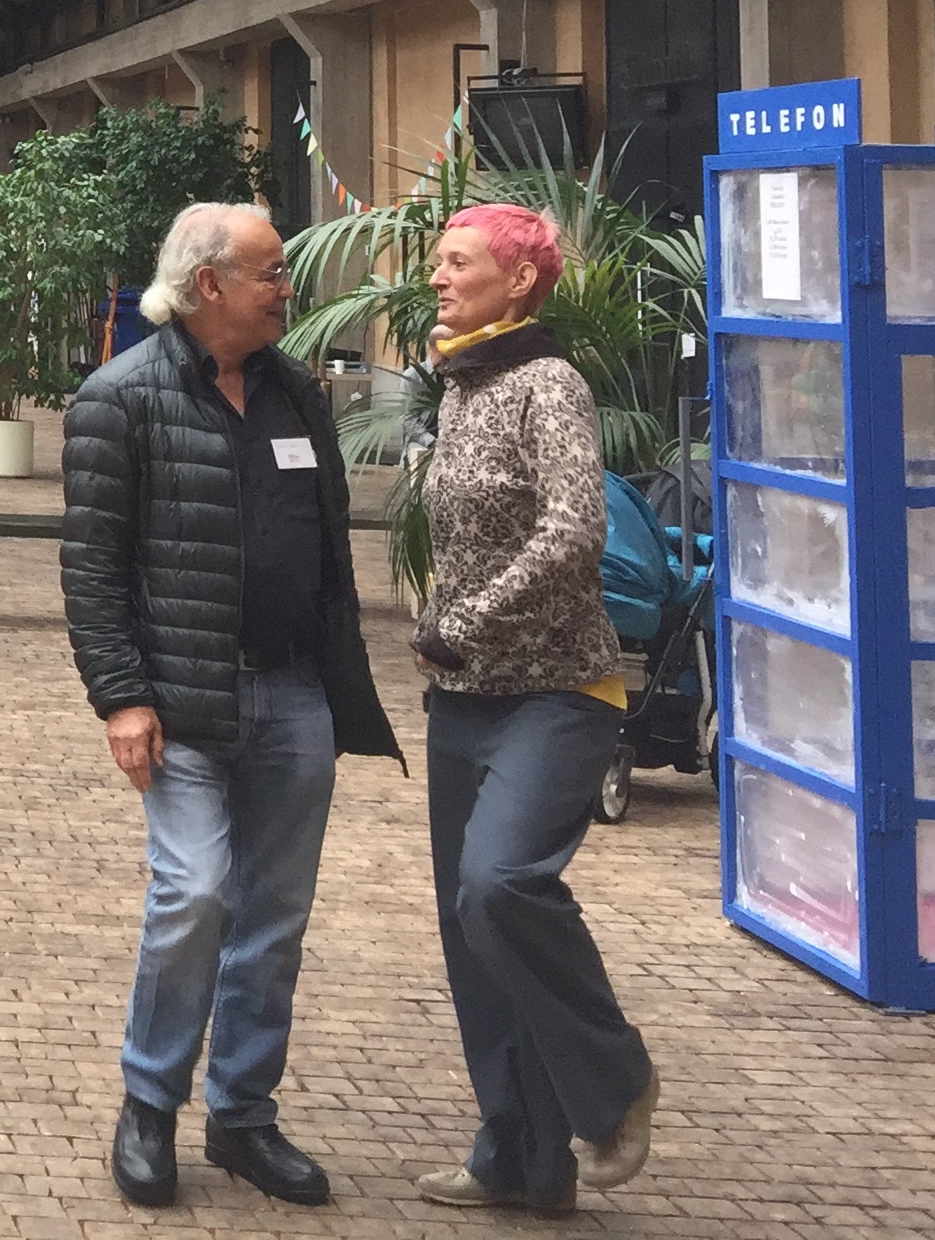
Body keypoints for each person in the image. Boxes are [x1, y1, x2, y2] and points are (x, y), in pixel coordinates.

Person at [62, 202, 397, 1212]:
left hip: (295, 695)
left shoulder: (299, 397)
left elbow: (330, 548)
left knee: (276, 919)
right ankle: (150, 1102)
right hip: (183, 702)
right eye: (271, 271)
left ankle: (245, 1117)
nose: (287, 287)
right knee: (195, 894)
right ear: (209, 285)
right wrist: (122, 697)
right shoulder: (119, 400)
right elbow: (92, 568)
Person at [410, 203, 658, 1214]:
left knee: (500, 885)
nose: (436, 276)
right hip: (462, 697)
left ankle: (616, 1084)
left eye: (457, 260)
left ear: (518, 281)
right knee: (474, 934)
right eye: (436, 261)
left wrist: (465, 614)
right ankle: (521, 1159)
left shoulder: (547, 384)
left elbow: (574, 530)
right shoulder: (463, 383)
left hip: (559, 690)